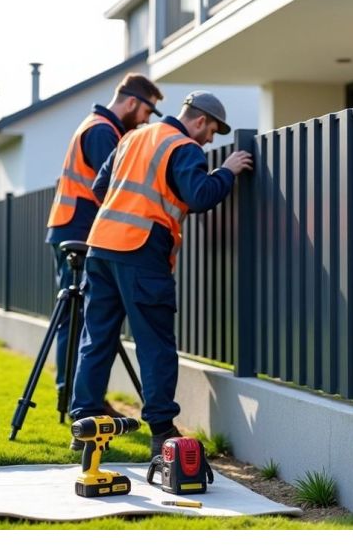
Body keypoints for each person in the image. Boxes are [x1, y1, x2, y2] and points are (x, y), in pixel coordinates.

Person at [69, 91, 253, 456]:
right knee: (155, 345)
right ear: (199, 120)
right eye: (212, 130)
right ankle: (161, 431)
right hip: (141, 250)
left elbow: (100, 187)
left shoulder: (134, 137)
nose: (210, 139)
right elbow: (200, 196)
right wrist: (227, 172)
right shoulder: (183, 147)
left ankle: (85, 426)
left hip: (101, 246)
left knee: (97, 339)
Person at [45, 73, 162, 410]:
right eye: (146, 112)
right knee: (81, 318)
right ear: (130, 102)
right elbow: (114, 187)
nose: (145, 121)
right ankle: (75, 400)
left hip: (70, 227)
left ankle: (74, 397)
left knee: (78, 316)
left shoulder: (95, 125)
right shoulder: (102, 132)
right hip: (79, 231)